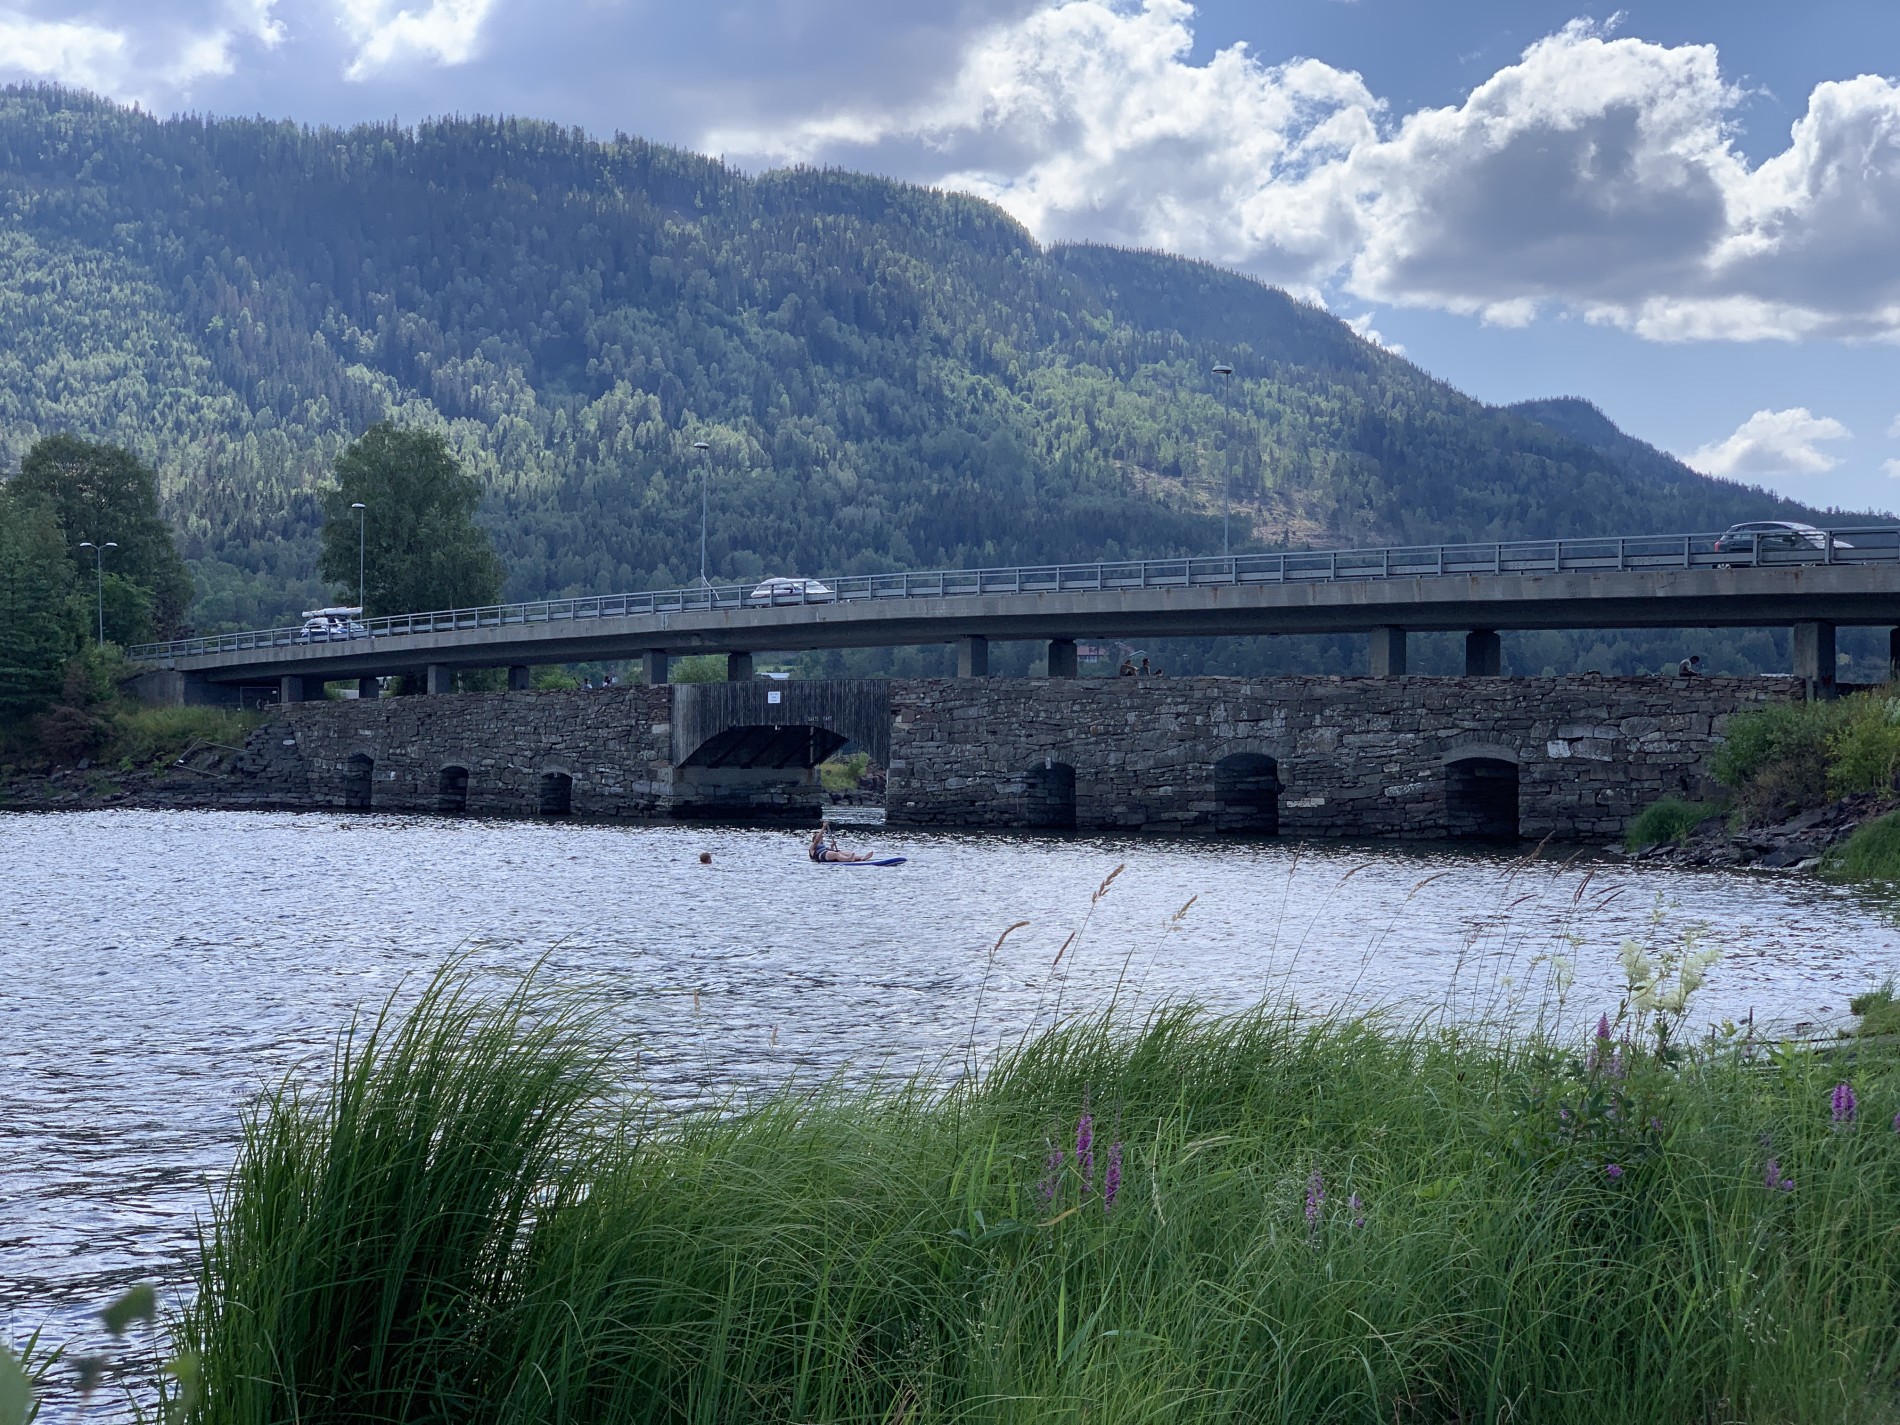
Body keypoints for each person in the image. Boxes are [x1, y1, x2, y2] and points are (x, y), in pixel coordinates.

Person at [808, 821, 874, 863]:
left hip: (826, 854)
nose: (821, 838)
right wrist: (823, 827)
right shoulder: (813, 846)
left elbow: (830, 852)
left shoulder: (823, 845)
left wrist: (832, 847)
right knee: (836, 854)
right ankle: (848, 859)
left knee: (843, 853)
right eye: (820, 837)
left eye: (821, 837)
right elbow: (817, 840)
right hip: (821, 856)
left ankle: (862, 858)